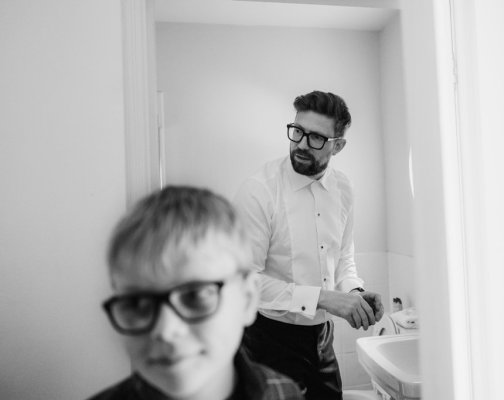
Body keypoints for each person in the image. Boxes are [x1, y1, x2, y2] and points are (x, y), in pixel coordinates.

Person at [233, 90, 384, 399]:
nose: (301, 144)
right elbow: (245, 281)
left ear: (338, 146)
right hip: (269, 341)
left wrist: (354, 294)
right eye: (297, 131)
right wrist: (326, 299)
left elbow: (344, 258)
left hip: (322, 339)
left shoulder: (343, 189)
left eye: (316, 138)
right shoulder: (259, 190)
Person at [88, 186, 304, 400]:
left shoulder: (285, 393)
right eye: (136, 304)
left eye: (195, 296)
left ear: (247, 300)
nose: (166, 330)